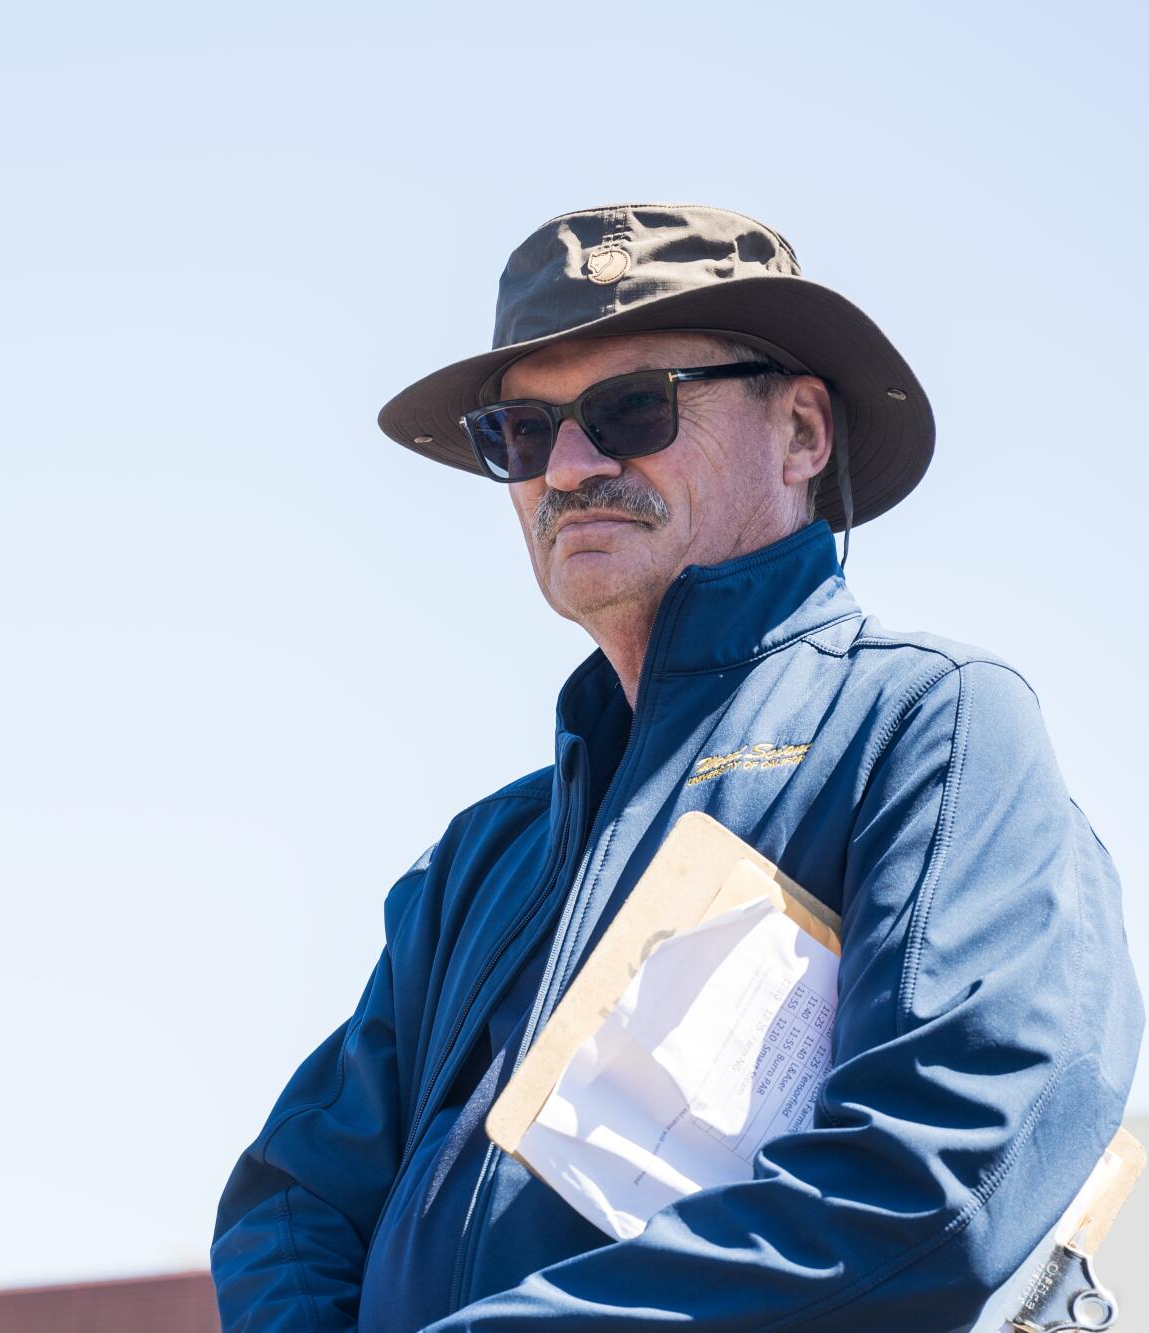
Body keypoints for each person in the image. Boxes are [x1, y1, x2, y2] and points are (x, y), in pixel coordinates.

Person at [210, 204, 1143, 1329]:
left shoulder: (925, 728)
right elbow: (292, 1199)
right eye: (516, 430)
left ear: (801, 434)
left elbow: (935, 1178)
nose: (563, 466)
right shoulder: (483, 851)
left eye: (627, 410)